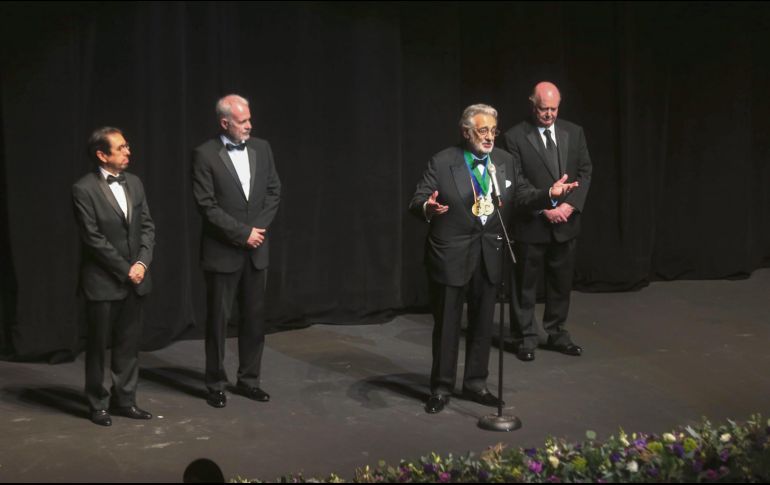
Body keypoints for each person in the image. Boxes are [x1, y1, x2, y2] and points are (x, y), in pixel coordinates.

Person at [409, 104, 578, 414]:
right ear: (466, 132)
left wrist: (550, 195)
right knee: (447, 325)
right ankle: (441, 387)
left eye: (492, 131)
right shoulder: (444, 161)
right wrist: (427, 209)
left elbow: (524, 196)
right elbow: (418, 199)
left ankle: (475, 383)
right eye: (482, 131)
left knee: (483, 324)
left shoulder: (504, 162)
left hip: (490, 253)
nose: (489, 137)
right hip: (452, 255)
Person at [192, 94, 281, 408]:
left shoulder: (262, 148)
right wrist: (243, 234)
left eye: (249, 119)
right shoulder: (204, 154)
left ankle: (249, 380)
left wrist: (257, 231)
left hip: (257, 249)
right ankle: (215, 382)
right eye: (243, 122)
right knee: (218, 321)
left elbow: (273, 191)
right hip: (223, 251)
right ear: (224, 122)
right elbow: (206, 205)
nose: (249, 126)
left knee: (255, 319)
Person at [502, 81, 593, 362]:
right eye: (544, 109)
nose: (549, 114)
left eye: (553, 109)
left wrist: (569, 206)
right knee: (524, 286)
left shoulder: (574, 132)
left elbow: (585, 170)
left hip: (565, 223)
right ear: (533, 104)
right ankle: (525, 337)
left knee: (560, 284)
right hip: (532, 224)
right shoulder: (515, 136)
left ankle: (557, 333)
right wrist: (545, 208)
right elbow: (516, 182)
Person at [72, 127, 155, 426]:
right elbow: (93, 239)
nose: (128, 151)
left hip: (136, 278)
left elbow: (147, 227)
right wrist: (125, 270)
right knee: (97, 347)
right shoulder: (83, 189)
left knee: (129, 345)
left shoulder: (135, 182)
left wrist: (142, 264)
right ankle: (98, 403)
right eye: (120, 148)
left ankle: (126, 401)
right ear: (101, 154)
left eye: (127, 146)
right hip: (104, 282)